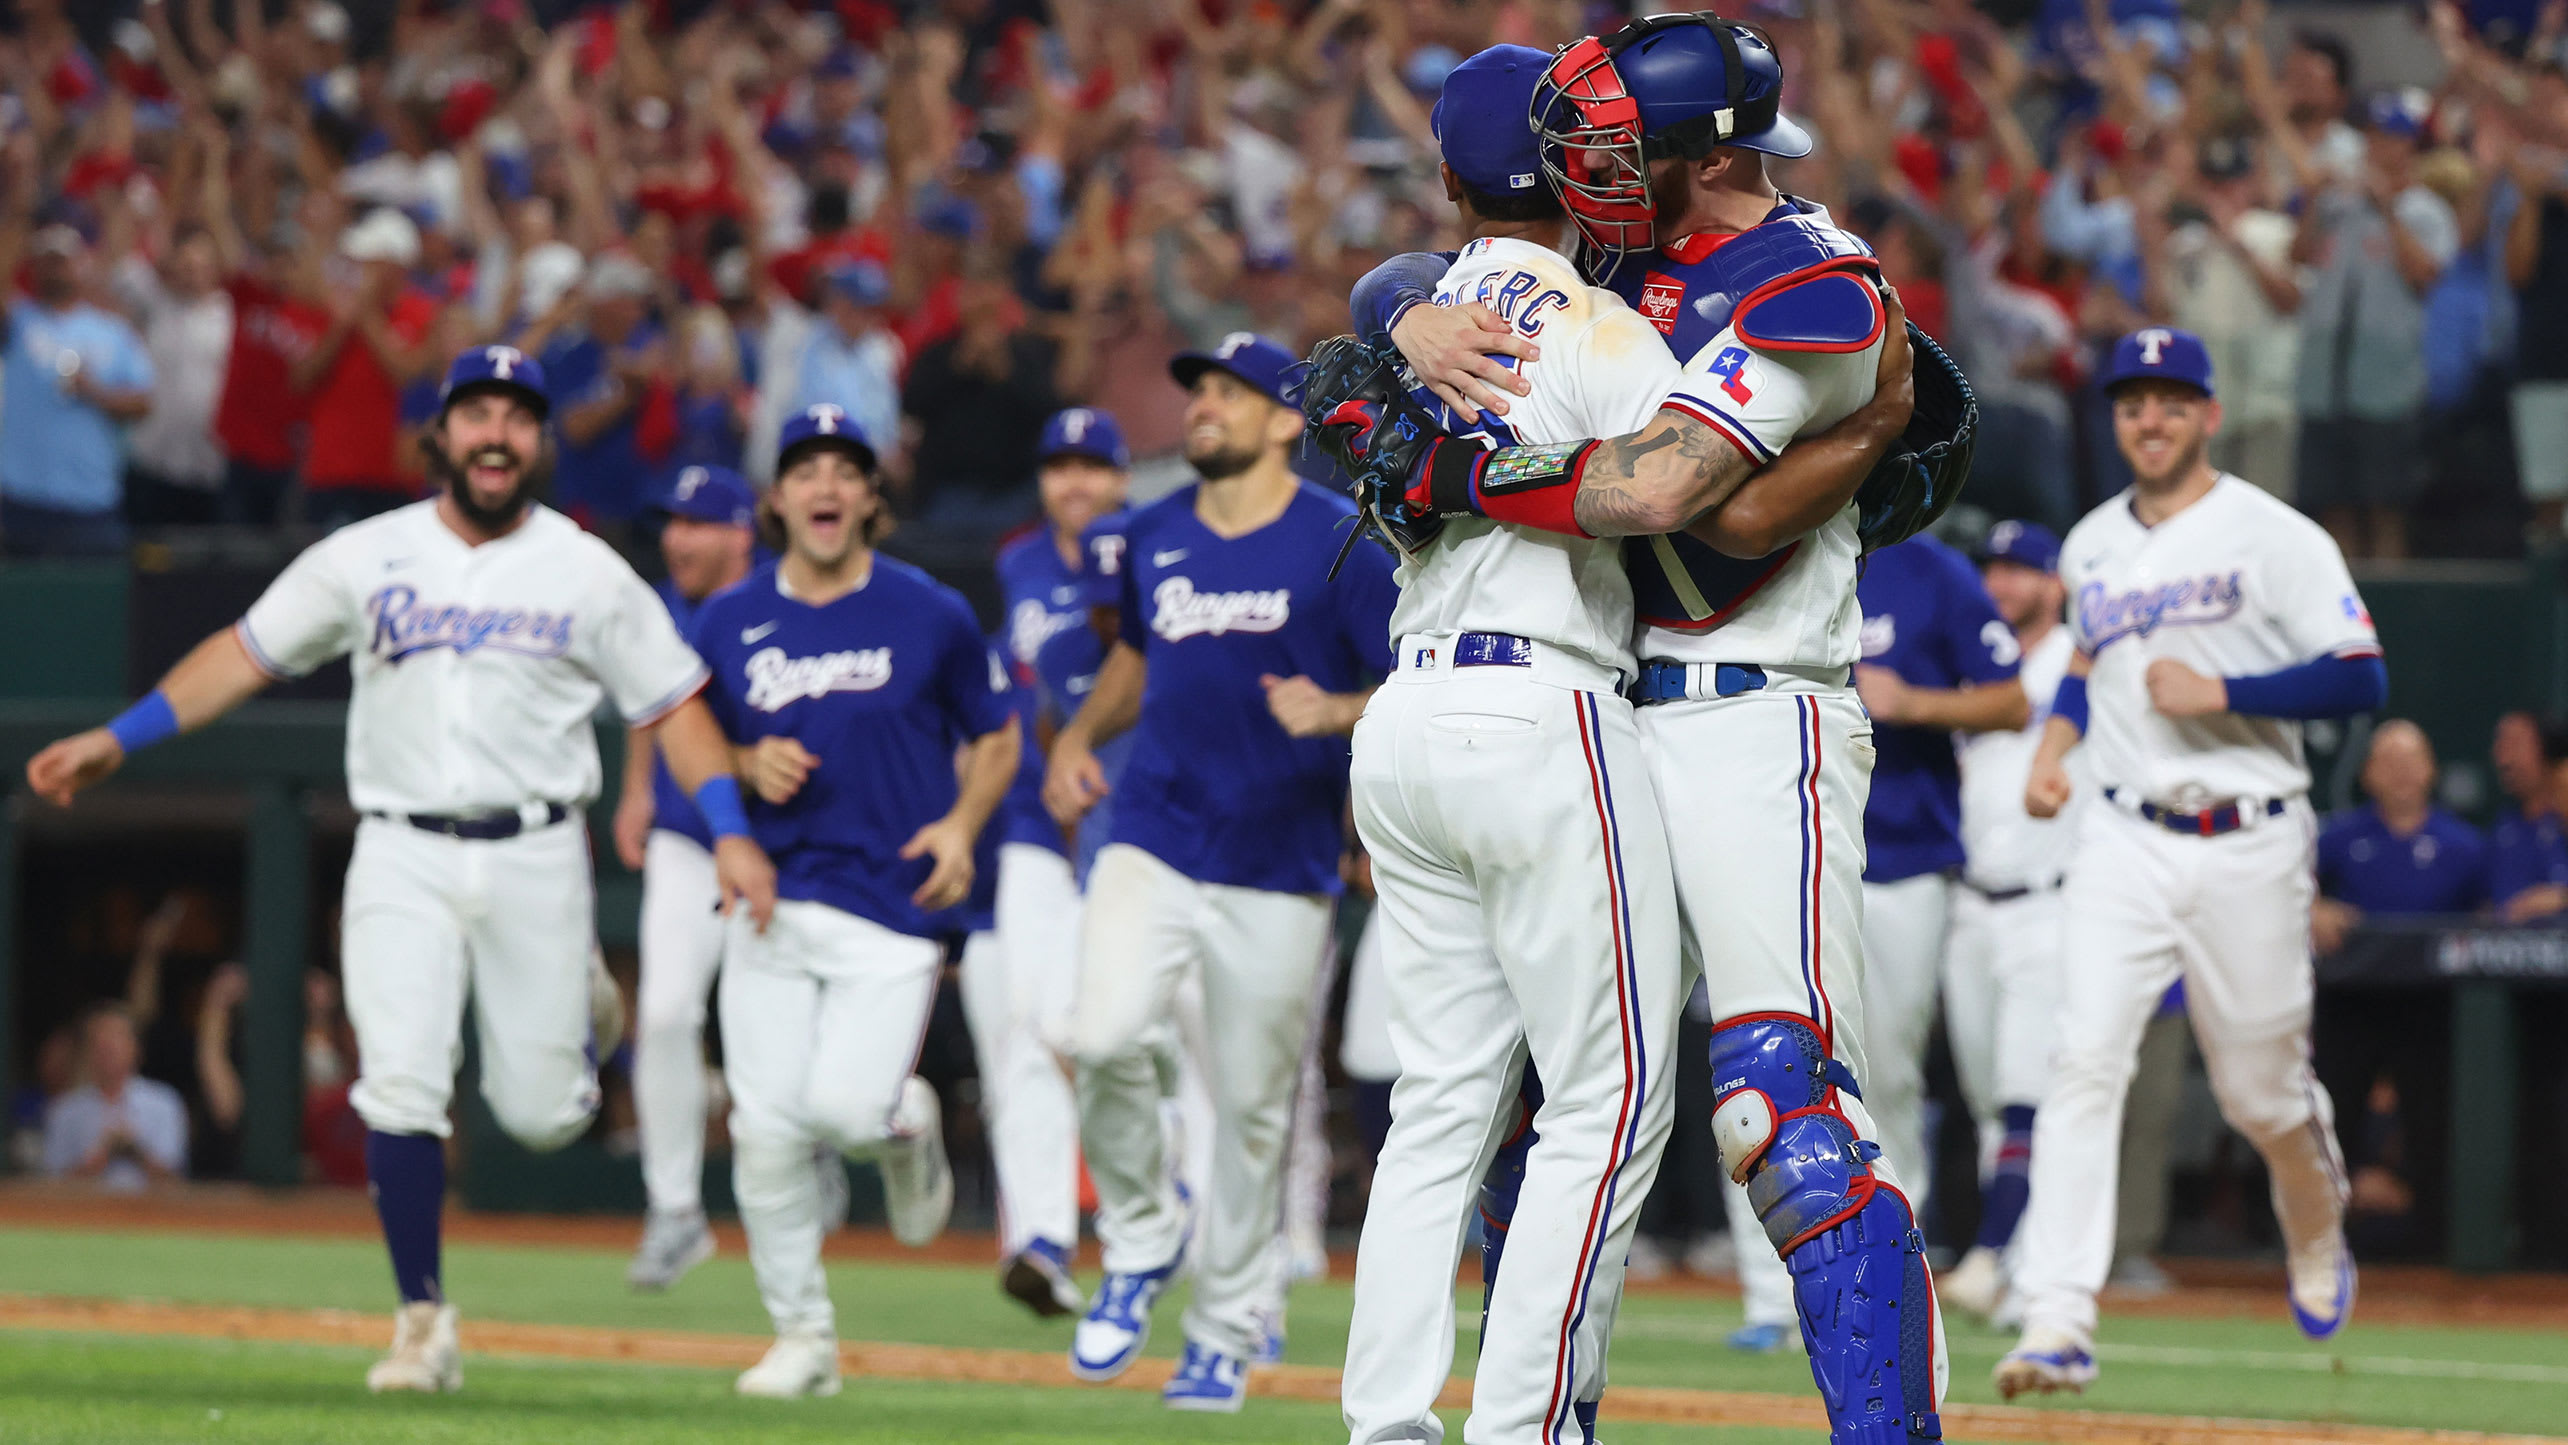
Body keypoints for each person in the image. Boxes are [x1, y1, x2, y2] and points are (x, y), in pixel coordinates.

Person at [1337, 15, 1953, 1439]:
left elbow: (1704, 510)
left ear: (1693, 157)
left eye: (1615, 141)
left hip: (1753, 708)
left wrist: (1448, 470)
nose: (1585, 161)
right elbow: (1430, 266)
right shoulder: (1609, 264)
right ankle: (1541, 1418)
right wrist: (1403, 316)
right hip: (1593, 714)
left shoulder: (1813, 281)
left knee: (1778, 1113)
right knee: (1531, 1106)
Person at [23, 344, 777, 1395]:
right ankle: (422, 1315)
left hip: (535, 848)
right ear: (442, 435)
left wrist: (733, 827)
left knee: (541, 1112)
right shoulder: (366, 553)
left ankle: (585, 1005)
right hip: (400, 846)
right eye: (478, 415)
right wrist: (125, 733)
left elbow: (674, 707)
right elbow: (246, 649)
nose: (497, 434)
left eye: (518, 417)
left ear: (541, 439)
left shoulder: (587, 567)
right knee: (401, 1086)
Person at [1997, 327, 2386, 1397]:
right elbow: (2087, 658)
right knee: (2083, 1061)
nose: (2151, 419)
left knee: (2262, 1093)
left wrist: (2228, 695)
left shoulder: (2276, 535)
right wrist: (2056, 744)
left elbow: (2361, 678)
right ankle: (2057, 1317)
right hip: (2122, 836)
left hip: (2252, 834)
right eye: (2133, 402)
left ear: (2210, 413)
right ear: (2114, 416)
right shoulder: (2087, 544)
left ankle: (2315, 1229)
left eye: (2172, 400)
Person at [1042, 334, 1396, 1411]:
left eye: (1230, 394)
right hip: (1154, 830)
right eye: (1196, 389)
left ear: (1288, 420)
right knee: (1095, 1034)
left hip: (1281, 862)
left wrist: (1337, 710)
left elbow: (1422, 680)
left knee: (1248, 1110)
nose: (1202, 406)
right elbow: (1140, 659)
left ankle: (1224, 1328)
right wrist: (1076, 738)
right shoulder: (1149, 534)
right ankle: (1143, 1238)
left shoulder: (1342, 545)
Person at [689, 404, 1019, 1399]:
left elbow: (998, 731)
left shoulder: (930, 610)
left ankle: (905, 1123)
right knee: (765, 1126)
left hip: (892, 900)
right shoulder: (728, 617)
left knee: (840, 1106)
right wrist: (743, 764)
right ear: (776, 499)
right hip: (771, 897)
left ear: (873, 497)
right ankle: (804, 1337)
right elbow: (684, 734)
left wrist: (962, 824)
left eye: (846, 470)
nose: (826, 486)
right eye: (806, 471)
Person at [973, 406, 1132, 1319]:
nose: (1073, 482)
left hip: (1136, 822)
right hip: (1040, 823)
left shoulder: (1150, 547)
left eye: (1091, 465)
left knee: (1130, 1035)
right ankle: (1037, 1237)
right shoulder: (1019, 562)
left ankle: (1171, 1214)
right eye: (1058, 466)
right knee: (1029, 1026)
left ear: (1119, 477)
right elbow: (1013, 688)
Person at [1848, 532, 2031, 1229]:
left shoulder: (1933, 569)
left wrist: (1913, 703)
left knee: (1889, 1067)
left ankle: (1894, 1242)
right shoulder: (1769, 535)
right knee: (1771, 1056)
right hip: (1787, 843)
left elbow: (2010, 702)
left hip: (1903, 855)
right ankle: (1770, 1284)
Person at [615, 463, 759, 1291]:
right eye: (673, 521)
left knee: (763, 1020)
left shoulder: (774, 601)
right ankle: (674, 1208)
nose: (679, 538)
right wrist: (636, 787)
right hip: (682, 836)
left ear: (741, 532)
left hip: (770, 845)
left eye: (699, 522)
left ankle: (805, 1152)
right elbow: (648, 702)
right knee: (666, 1011)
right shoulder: (663, 608)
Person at [1940, 521, 2077, 1322]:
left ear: (2054, 583)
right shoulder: (1972, 664)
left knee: (2031, 1093)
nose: (2003, 584)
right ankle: (2019, 1272)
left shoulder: (2075, 666)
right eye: (1994, 569)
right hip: (1972, 899)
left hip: (2049, 896)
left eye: (2021, 571)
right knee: (1991, 1097)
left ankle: (1998, 1258)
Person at [2291, 91, 2458, 561]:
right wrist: (2312, 197)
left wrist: (2387, 209)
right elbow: (2298, 255)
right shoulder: (2338, 205)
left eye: (2387, 138)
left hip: (2387, 382)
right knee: (2334, 509)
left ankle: (2392, 618)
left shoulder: (2426, 210)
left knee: (2386, 508)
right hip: (2325, 378)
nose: (2375, 148)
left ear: (2408, 145)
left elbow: (2426, 275)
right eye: (2370, 137)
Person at [0, 223, 154, 555]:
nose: (55, 270)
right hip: (20, 501)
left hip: (90, 502)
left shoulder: (112, 331)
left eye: (62, 261)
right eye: (46, 262)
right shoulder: (18, 322)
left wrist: (95, 392)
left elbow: (143, 404)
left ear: (80, 266)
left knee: (90, 602)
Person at [293, 209, 441, 531]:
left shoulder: (422, 311)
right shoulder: (333, 308)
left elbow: (407, 375)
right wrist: (339, 327)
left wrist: (365, 315)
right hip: (330, 471)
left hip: (392, 477)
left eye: (368, 261)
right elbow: (301, 380)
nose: (358, 268)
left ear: (395, 266)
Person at [2311, 720, 2488, 952]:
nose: (2401, 772)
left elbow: (2492, 914)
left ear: (2431, 768)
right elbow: (2294, 890)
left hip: (2436, 981)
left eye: (2410, 761)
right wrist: (2314, 910)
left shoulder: (2466, 845)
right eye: (2389, 762)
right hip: (2355, 974)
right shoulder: (2337, 837)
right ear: (2367, 773)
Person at [42, 1004, 188, 1192]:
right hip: (85, 1217)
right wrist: (99, 1157)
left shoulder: (164, 1103)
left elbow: (177, 1182)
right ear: (87, 1052)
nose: (107, 1049)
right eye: (99, 1043)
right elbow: (50, 1187)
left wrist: (133, 1150)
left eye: (115, 1040)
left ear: (136, 1048)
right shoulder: (66, 1110)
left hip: (150, 1216)